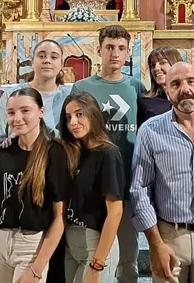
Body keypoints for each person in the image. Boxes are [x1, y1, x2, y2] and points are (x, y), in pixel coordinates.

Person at [130, 62, 194, 283]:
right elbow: (140, 190)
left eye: (191, 81)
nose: (184, 89)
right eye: (175, 84)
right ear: (167, 92)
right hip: (169, 236)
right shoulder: (150, 131)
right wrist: (155, 244)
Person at [71, 25, 144, 283]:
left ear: (128, 53)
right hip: (91, 183)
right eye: (110, 47)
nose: (115, 53)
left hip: (125, 181)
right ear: (98, 50)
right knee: (91, 251)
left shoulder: (136, 87)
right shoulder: (81, 86)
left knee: (128, 256)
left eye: (121, 48)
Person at [0, 88, 71, 282]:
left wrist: (36, 268)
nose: (17, 118)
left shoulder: (54, 153)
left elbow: (59, 218)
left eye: (25, 111)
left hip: (31, 243)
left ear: (41, 112)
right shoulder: (2, 153)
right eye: (11, 112)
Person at [60, 92, 125, 283]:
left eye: (80, 114)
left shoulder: (108, 154)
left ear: (93, 114)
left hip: (96, 241)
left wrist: (97, 263)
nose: (73, 122)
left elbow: (115, 212)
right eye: (68, 117)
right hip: (71, 239)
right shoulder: (73, 151)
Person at [0, 39, 72, 145]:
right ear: (32, 62)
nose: (47, 60)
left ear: (61, 65)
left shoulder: (69, 96)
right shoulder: (13, 94)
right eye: (41, 56)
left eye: (54, 57)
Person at [137, 46, 182, 126]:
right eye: (153, 65)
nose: (156, 68)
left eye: (162, 63)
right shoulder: (145, 101)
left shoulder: (189, 97)